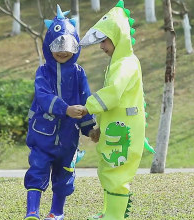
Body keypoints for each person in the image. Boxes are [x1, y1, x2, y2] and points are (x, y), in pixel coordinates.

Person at [24, 5, 96, 220]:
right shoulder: (42, 71)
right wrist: (65, 108)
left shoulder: (78, 72)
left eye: (68, 44)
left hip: (68, 136)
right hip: (42, 134)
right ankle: (32, 212)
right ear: (48, 45)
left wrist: (89, 127)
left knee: (65, 173)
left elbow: (85, 99)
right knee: (37, 169)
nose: (63, 50)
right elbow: (43, 96)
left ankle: (56, 212)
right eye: (57, 44)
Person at [80, 0, 146, 219]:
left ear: (118, 36)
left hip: (123, 131)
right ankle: (109, 212)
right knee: (108, 170)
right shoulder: (118, 62)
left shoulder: (125, 63)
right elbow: (114, 100)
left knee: (116, 173)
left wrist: (88, 107)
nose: (101, 46)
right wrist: (99, 125)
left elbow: (114, 93)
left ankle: (115, 216)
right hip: (116, 128)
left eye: (104, 40)